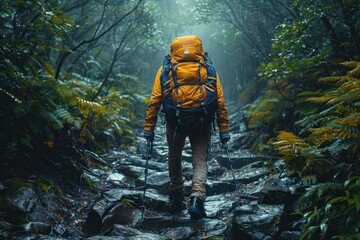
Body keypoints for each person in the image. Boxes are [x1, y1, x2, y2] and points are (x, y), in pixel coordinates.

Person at [143, 35, 230, 220]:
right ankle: (197, 198)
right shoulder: (208, 68)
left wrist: (148, 128)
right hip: (203, 120)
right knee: (200, 160)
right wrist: (224, 130)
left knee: (174, 157)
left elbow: (155, 100)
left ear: (173, 50)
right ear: (200, 49)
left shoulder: (165, 69)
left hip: (176, 121)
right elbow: (220, 101)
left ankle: (176, 195)